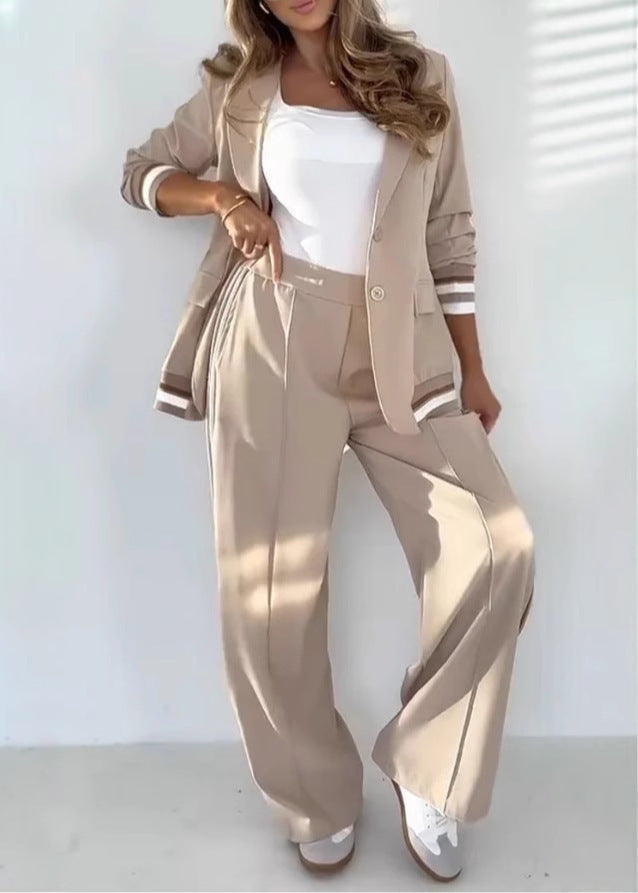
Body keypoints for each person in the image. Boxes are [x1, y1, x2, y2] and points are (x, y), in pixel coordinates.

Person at [120, 0, 535, 881]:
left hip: (404, 347)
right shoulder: (239, 86)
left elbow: (449, 235)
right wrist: (225, 197)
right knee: (270, 588)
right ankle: (314, 792)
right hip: (274, 336)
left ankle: (430, 767)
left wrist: (474, 369)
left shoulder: (420, 77)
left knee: (497, 544)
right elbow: (143, 172)